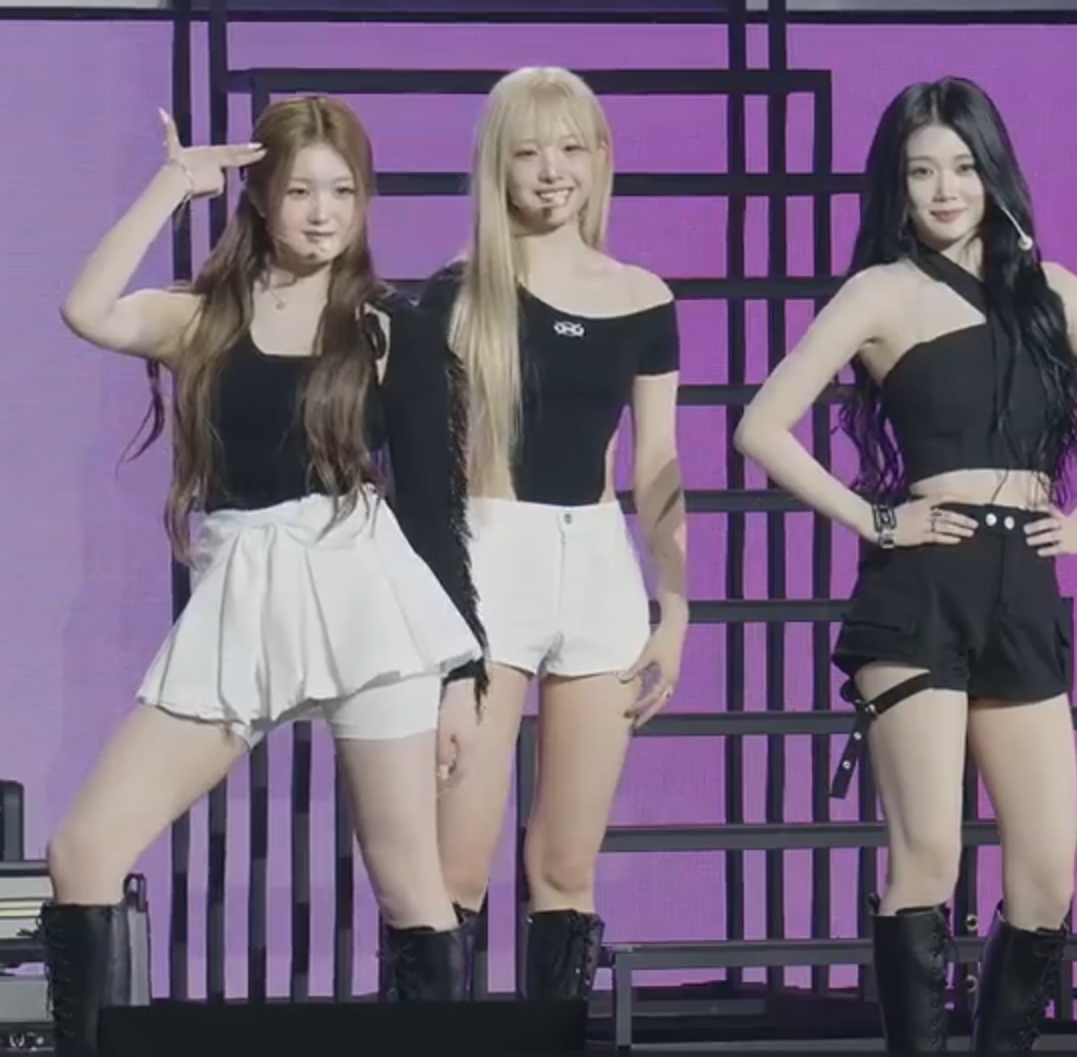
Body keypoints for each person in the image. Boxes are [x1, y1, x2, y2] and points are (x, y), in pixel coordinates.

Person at [39, 96, 488, 1052]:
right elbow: (87, 309)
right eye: (300, 191)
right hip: (243, 597)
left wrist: (462, 671)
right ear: (259, 198)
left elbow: (432, 508)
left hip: (365, 596)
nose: (323, 214)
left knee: (412, 885)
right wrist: (171, 186)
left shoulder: (390, 328)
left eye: (343, 192)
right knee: (82, 851)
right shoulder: (205, 319)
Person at [736, 77, 1077, 1053]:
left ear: (992, 171)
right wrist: (875, 519)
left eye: (962, 167)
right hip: (920, 588)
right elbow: (759, 425)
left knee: (1046, 875)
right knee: (927, 856)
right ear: (897, 184)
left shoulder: (1052, 291)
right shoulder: (880, 290)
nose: (944, 190)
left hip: (1021, 588)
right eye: (921, 171)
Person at [409, 65, 688, 1002]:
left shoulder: (644, 297)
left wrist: (676, 605)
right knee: (453, 866)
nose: (551, 170)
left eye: (570, 148)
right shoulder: (454, 295)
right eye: (528, 152)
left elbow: (657, 461)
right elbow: (419, 468)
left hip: (600, 565)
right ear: (497, 164)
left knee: (567, 866)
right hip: (489, 560)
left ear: (601, 157)